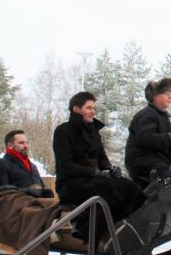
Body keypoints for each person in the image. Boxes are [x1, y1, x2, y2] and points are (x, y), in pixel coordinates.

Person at [53, 92, 146, 244]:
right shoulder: (63, 131)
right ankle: (88, 232)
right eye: (88, 108)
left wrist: (111, 169)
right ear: (76, 109)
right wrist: (95, 172)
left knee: (129, 186)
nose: (93, 111)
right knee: (107, 187)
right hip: (70, 184)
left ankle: (128, 231)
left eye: (93, 108)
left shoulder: (94, 132)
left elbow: (102, 159)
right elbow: (65, 165)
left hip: (93, 180)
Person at [125, 78, 171, 190]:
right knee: (169, 179)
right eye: (166, 94)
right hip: (143, 163)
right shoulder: (146, 115)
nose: (170, 97)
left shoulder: (162, 117)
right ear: (155, 96)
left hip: (157, 163)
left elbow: (164, 143)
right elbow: (146, 139)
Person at [0, 129, 54, 198]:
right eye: (21, 143)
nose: (26, 146)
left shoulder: (33, 166)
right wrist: (28, 191)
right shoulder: (1, 164)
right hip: (17, 203)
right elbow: (2, 192)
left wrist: (45, 192)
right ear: (10, 145)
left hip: (39, 203)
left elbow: (41, 187)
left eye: (27, 142)